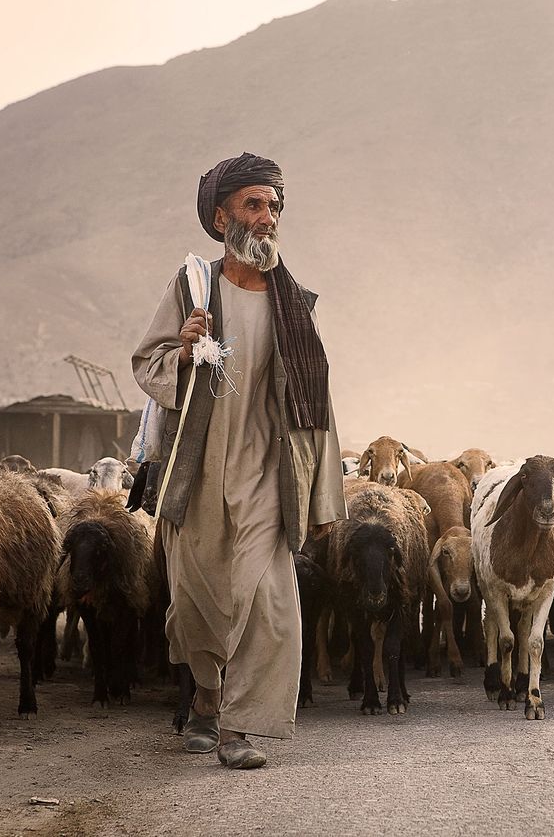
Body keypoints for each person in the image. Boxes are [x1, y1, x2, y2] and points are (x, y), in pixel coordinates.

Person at [133, 153, 346, 769]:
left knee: (270, 601)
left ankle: (240, 728)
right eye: (255, 203)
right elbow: (144, 364)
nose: (268, 216)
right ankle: (205, 698)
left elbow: (318, 407)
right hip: (198, 473)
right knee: (196, 603)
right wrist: (183, 350)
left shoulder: (294, 305)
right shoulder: (193, 289)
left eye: (275, 205)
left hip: (265, 475)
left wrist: (323, 498)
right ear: (222, 215)